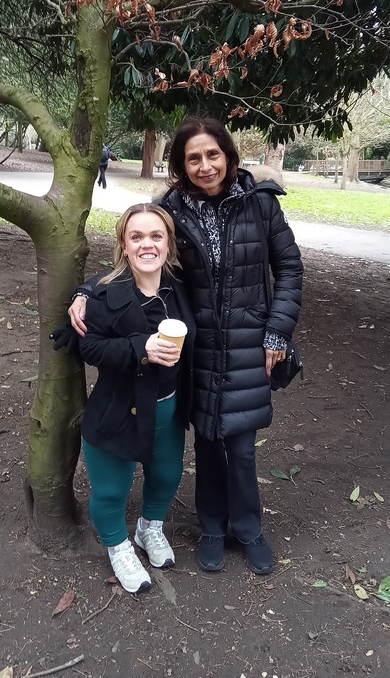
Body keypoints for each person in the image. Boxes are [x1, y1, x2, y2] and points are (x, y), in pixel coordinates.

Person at [70, 117, 303, 576]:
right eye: (193, 158)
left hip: (246, 343)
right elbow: (140, 249)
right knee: (209, 441)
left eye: (212, 154)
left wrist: (278, 330)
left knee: (242, 445)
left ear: (229, 156)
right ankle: (212, 528)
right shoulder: (172, 209)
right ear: (180, 165)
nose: (205, 165)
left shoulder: (261, 205)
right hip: (195, 345)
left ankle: (249, 528)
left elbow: (290, 268)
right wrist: (87, 290)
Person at [74, 203, 195, 594]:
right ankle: (117, 545)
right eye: (136, 237)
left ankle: (148, 528)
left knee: (167, 475)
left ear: (169, 244)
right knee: (111, 490)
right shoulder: (105, 295)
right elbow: (87, 348)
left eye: (156, 236)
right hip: (118, 411)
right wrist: (140, 347)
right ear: (123, 246)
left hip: (169, 409)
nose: (147, 244)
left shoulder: (180, 288)